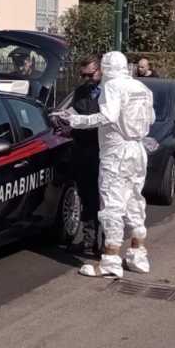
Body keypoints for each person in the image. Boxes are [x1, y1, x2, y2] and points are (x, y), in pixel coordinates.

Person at [55, 51, 154, 278]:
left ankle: (110, 260)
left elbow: (107, 116)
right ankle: (137, 254)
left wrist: (75, 120)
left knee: (112, 206)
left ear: (106, 68)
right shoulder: (140, 87)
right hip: (137, 149)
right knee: (135, 201)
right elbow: (151, 118)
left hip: (116, 151)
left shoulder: (112, 87)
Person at [68, 55, 103, 255]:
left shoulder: (110, 92)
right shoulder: (81, 91)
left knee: (104, 199)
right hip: (82, 150)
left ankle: (106, 243)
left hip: (103, 152)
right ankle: (89, 239)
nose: (87, 79)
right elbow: (75, 113)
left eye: (90, 75)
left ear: (100, 70)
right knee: (87, 197)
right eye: (83, 76)